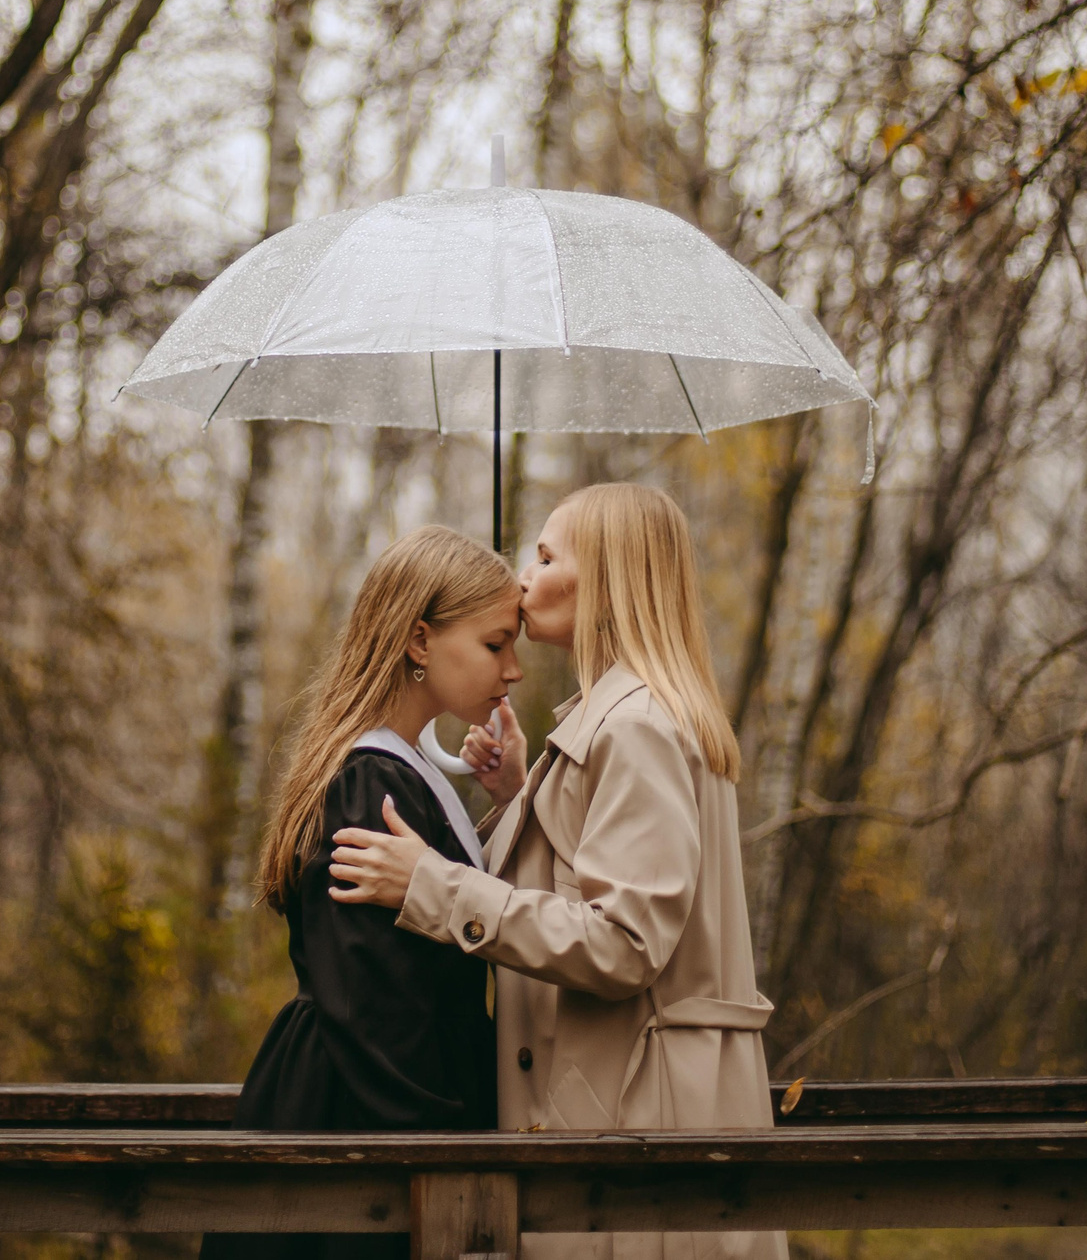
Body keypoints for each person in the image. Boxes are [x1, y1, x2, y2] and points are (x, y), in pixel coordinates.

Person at [330, 484, 783, 1260]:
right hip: (633, 1106)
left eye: (544, 556)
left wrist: (431, 887)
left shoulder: (635, 726)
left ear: (605, 578)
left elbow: (624, 943)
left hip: (641, 1116)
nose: (522, 577)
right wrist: (515, 796)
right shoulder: (618, 717)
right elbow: (586, 880)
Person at [202, 524, 522, 1260]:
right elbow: (371, 1004)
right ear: (419, 639)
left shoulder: (405, 768)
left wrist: (509, 791)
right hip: (360, 1121)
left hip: (372, 1107)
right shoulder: (372, 781)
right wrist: (448, 1144)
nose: (514, 669)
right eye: (495, 643)